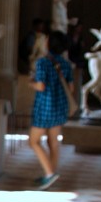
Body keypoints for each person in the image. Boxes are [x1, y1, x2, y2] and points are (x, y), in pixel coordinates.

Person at [28, 29, 74, 189]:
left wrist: (30, 83)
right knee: (53, 142)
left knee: (33, 141)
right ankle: (51, 173)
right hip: (60, 106)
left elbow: (40, 86)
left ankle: (49, 173)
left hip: (45, 107)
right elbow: (71, 88)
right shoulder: (66, 64)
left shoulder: (42, 62)